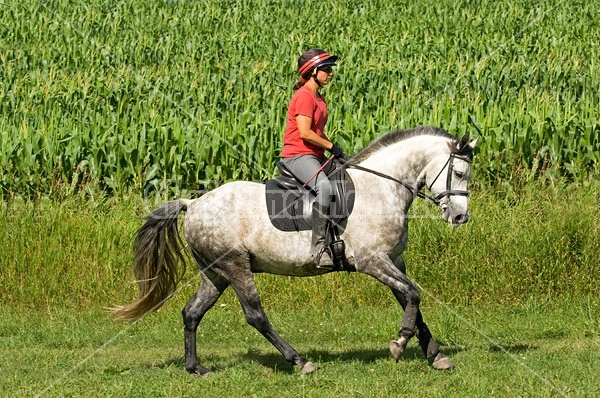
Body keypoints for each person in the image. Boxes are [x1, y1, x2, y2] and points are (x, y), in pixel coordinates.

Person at [280, 49, 345, 269]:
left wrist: (335, 152)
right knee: (325, 188)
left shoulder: (318, 97)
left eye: (330, 70)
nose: (330, 74)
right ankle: (318, 248)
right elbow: (306, 133)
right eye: (326, 70)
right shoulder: (304, 96)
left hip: (315, 155)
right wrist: (331, 146)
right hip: (297, 155)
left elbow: (318, 131)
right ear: (313, 72)